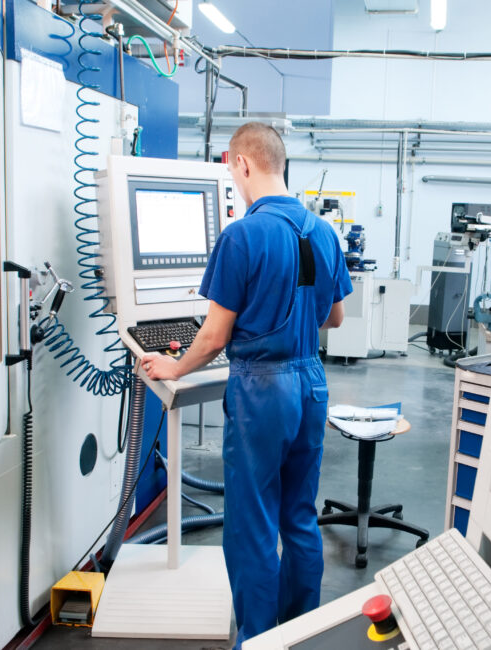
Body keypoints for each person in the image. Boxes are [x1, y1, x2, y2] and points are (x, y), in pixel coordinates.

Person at [142, 122, 352, 646]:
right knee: (299, 516)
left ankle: (258, 640)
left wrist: (173, 367)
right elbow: (337, 317)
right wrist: (295, 312)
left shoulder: (242, 235)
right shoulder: (323, 231)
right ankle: (300, 631)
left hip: (262, 390)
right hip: (310, 383)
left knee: (252, 524)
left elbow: (213, 336)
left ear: (242, 164)